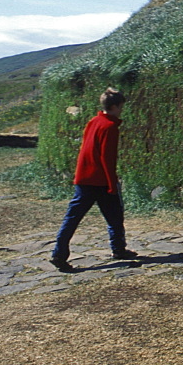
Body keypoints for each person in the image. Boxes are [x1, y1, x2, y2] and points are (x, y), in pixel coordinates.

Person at [50, 87, 137, 272]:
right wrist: (112, 183)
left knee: (72, 218)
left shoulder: (94, 121)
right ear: (114, 106)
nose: (122, 110)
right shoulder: (110, 127)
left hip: (84, 178)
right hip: (101, 180)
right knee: (114, 216)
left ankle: (59, 253)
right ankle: (118, 249)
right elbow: (107, 158)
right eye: (120, 107)